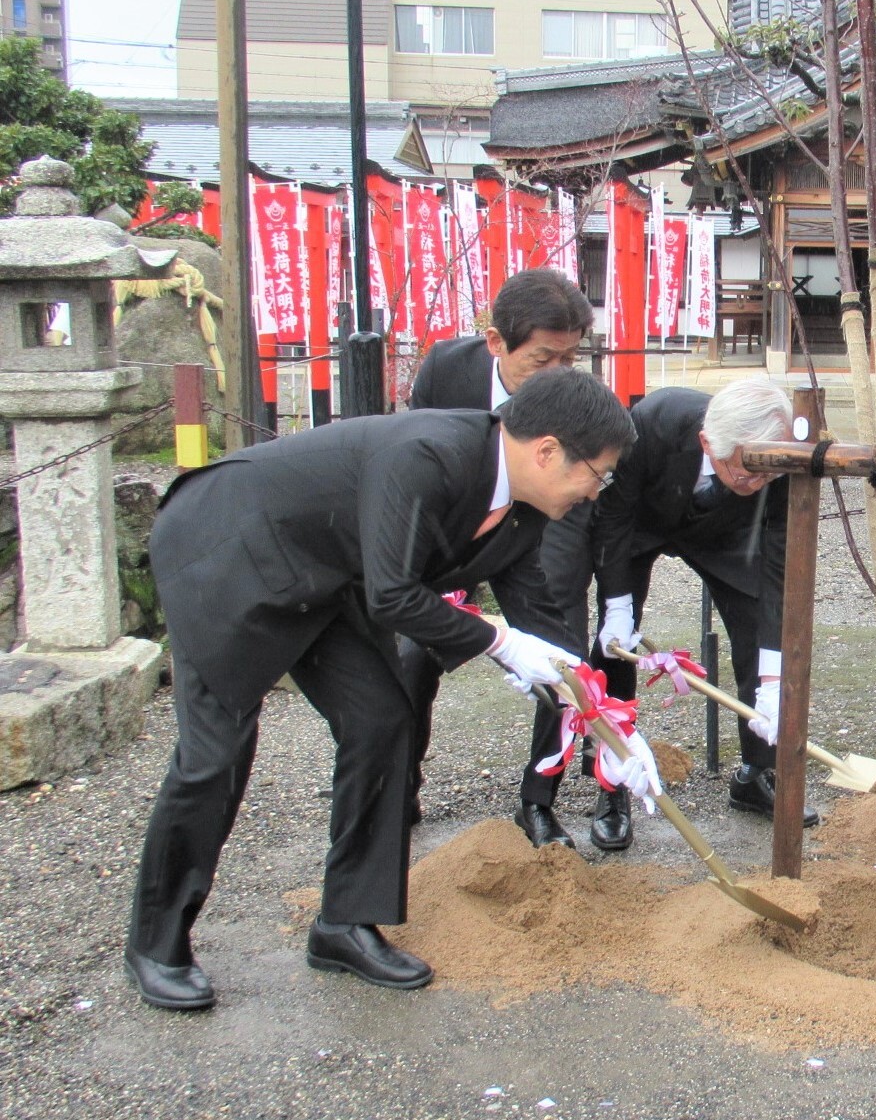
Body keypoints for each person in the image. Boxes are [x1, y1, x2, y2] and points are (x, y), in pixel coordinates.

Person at [126, 369, 652, 1011]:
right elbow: (395, 595)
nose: (596, 493)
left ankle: (345, 923)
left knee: (382, 718)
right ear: (547, 451)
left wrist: (606, 721)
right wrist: (500, 644)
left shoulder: (522, 506)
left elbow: (537, 613)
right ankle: (158, 941)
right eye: (597, 475)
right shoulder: (428, 455)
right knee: (217, 751)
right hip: (227, 548)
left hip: (323, 574)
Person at [406, 268, 607, 851]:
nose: (559, 374)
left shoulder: (571, 397)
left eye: (570, 358)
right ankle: (401, 782)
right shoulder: (448, 368)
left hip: (541, 523)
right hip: (461, 523)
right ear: (496, 342)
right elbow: (418, 456)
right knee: (411, 653)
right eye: (543, 359)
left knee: (563, 649)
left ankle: (538, 801)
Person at [589, 378, 819, 826]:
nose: (758, 483)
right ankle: (613, 781)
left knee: (757, 628)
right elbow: (613, 514)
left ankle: (756, 770)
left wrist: (775, 679)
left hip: (727, 531)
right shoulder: (654, 422)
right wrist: (617, 601)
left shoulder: (780, 458)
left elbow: (778, 561)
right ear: (707, 443)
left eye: (766, 474)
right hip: (644, 521)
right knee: (614, 645)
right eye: (745, 471)